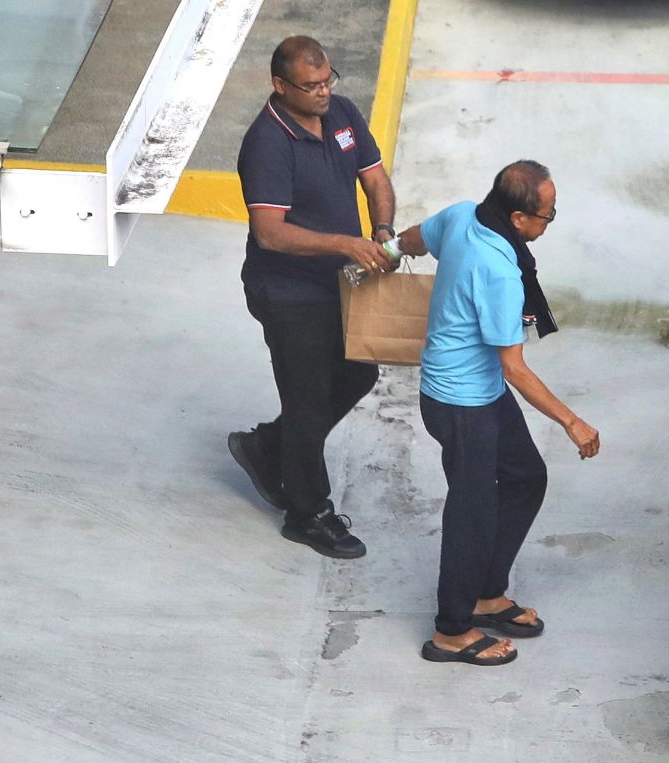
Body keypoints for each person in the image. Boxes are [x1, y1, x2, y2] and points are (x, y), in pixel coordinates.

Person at [397, 160, 600, 666]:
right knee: (472, 511)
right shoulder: (499, 271)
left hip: (480, 393)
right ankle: (452, 631)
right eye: (547, 216)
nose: (549, 223)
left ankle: (487, 594)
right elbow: (515, 367)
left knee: (526, 478)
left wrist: (386, 249)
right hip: (460, 402)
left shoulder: (463, 215)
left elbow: (415, 238)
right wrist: (571, 421)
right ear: (517, 218)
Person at [227, 36, 398, 559]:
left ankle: (268, 446)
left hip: (340, 285)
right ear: (281, 86)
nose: (324, 91)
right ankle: (308, 514)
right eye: (311, 85)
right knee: (307, 398)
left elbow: (374, 179)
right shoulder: (267, 144)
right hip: (287, 292)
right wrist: (347, 242)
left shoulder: (342, 113)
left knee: (359, 372)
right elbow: (270, 233)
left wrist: (383, 230)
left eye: (328, 80)